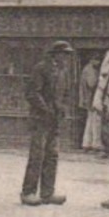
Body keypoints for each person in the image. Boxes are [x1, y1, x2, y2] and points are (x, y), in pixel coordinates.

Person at [21, 40, 76, 206]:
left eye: (68, 55)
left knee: (52, 156)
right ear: (55, 54)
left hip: (54, 120)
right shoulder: (41, 68)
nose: (66, 58)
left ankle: (47, 193)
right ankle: (28, 192)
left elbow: (65, 93)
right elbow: (32, 93)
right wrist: (46, 109)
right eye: (64, 54)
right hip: (40, 119)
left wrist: (62, 108)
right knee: (37, 155)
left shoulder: (64, 71)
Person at [79, 55, 104, 151]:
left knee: (90, 121)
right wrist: (101, 79)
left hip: (90, 99)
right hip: (92, 98)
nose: (98, 63)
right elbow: (91, 83)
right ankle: (95, 144)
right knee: (95, 121)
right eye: (97, 60)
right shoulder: (89, 69)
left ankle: (87, 143)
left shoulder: (88, 68)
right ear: (92, 60)